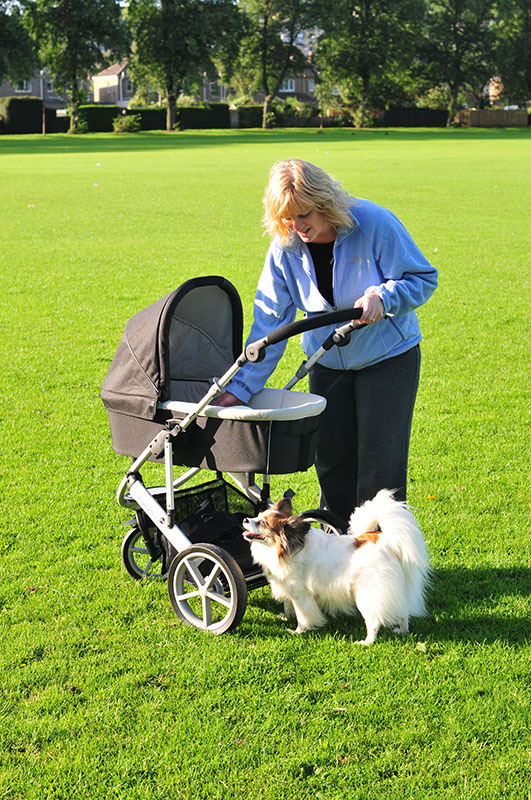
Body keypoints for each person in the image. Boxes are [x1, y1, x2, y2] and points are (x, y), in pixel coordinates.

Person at [216, 159, 437, 523]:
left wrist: (383, 298)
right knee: (331, 462)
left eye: (303, 214)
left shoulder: (374, 223)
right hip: (327, 360)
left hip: (387, 359)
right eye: (287, 218)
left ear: (324, 203)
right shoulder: (284, 246)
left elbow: (422, 278)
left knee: (380, 467)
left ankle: (383, 552)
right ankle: (337, 545)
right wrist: (239, 388)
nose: (296, 226)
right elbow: (270, 323)